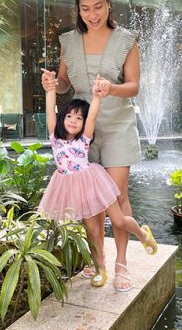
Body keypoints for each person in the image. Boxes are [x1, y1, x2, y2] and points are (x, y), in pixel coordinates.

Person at [40, 0, 154, 291]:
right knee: (88, 201)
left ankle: (121, 263)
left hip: (117, 125)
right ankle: (98, 261)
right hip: (80, 133)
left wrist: (110, 89)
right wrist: (53, 83)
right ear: (78, 9)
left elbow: (133, 86)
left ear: (109, 5)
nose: (92, 15)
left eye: (98, 7)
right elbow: (65, 84)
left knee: (117, 198)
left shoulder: (127, 40)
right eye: (85, 8)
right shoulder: (68, 41)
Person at [37, 80, 156, 290]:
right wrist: (50, 90)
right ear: (62, 118)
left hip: (94, 183)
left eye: (78, 118)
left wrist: (98, 96)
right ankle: (101, 268)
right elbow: (49, 113)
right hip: (73, 187)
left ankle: (142, 233)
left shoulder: (83, 140)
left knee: (118, 220)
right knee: (91, 229)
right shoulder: (55, 139)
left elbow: (92, 116)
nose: (73, 120)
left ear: (84, 124)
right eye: (69, 116)